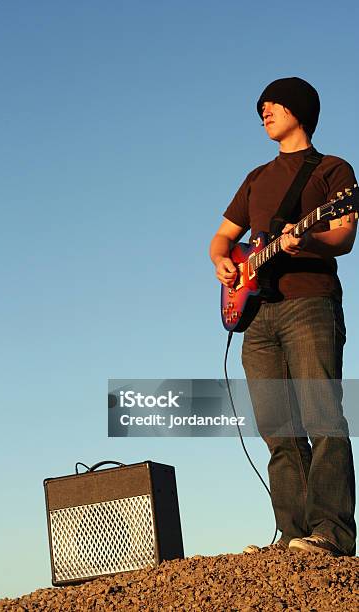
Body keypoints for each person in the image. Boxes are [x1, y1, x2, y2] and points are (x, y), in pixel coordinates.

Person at [209, 77, 357, 556]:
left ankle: (332, 534)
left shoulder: (332, 170)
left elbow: (344, 236)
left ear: (300, 111)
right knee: (277, 427)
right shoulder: (255, 177)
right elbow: (222, 238)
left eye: (273, 104)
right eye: (262, 107)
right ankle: (293, 535)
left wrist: (307, 238)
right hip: (258, 316)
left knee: (323, 417)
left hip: (310, 304)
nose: (264, 112)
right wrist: (223, 262)